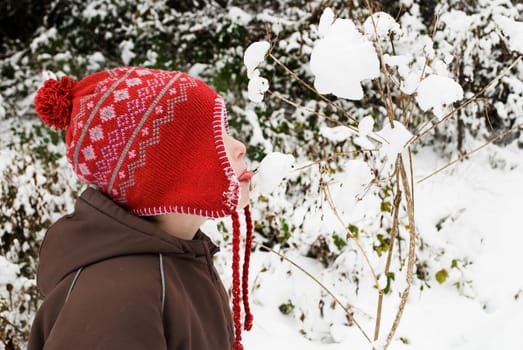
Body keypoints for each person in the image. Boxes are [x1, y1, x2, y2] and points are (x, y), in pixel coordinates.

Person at [27, 67, 254, 350]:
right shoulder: (117, 300)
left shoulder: (182, 260)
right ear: (165, 172)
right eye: (214, 137)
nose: (240, 146)